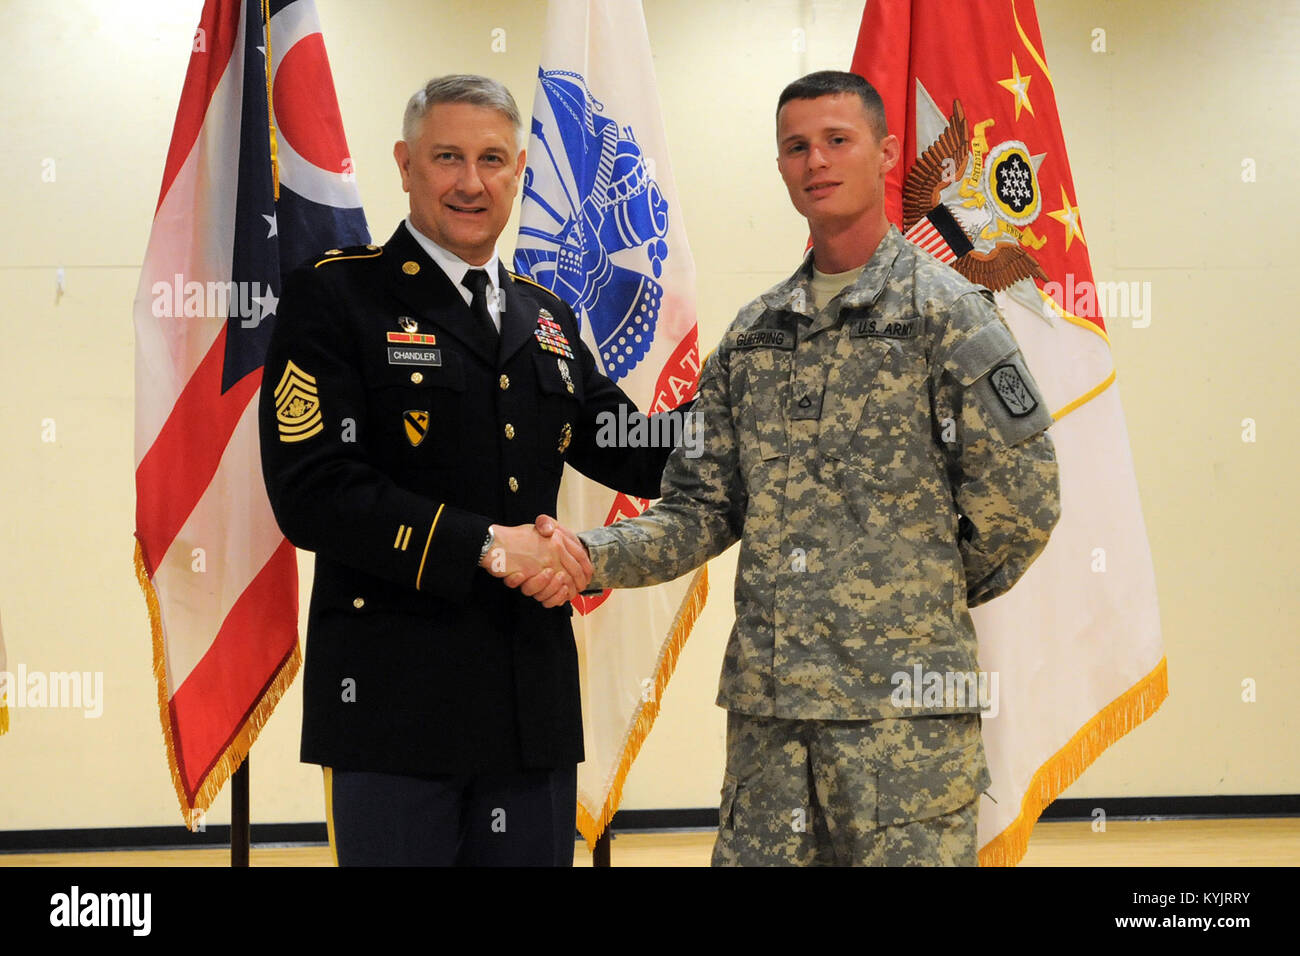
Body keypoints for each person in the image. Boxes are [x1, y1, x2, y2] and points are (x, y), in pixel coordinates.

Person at [499, 70, 1061, 866]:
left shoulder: (948, 313)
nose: (817, 161)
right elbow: (699, 508)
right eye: (797, 146)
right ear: (781, 165)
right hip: (771, 724)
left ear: (886, 154)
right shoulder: (756, 335)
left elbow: (1024, 501)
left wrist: (914, 593)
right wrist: (588, 557)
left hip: (901, 725)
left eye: (839, 140)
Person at [258, 74, 688, 866]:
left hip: (531, 710)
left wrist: (760, 415)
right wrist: (487, 544)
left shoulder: (544, 315)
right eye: (447, 156)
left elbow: (631, 442)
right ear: (405, 164)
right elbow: (313, 493)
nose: (470, 181)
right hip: (395, 708)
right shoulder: (336, 296)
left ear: (519, 169)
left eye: (492, 159)